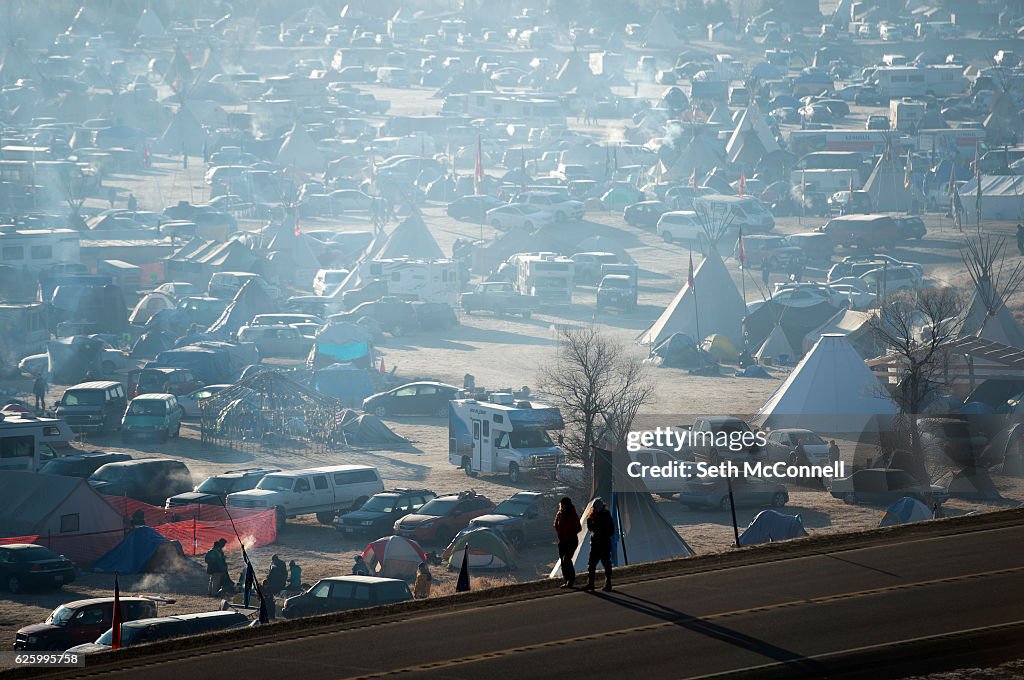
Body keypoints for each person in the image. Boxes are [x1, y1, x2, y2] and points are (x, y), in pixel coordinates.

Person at [584, 498, 615, 592]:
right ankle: (591, 583)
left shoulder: (606, 516)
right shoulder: (593, 516)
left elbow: (611, 530)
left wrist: (602, 533)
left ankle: (608, 583)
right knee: (591, 564)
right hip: (596, 544)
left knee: (606, 564)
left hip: (603, 543)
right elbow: (590, 527)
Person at [554, 497, 582, 589]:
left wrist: (569, 534)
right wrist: (560, 534)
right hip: (562, 541)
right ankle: (566, 580)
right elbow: (555, 524)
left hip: (571, 541)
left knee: (567, 559)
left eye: (563, 505)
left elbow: (578, 527)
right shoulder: (559, 514)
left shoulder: (572, 515)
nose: (562, 506)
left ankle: (571, 579)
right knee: (563, 561)